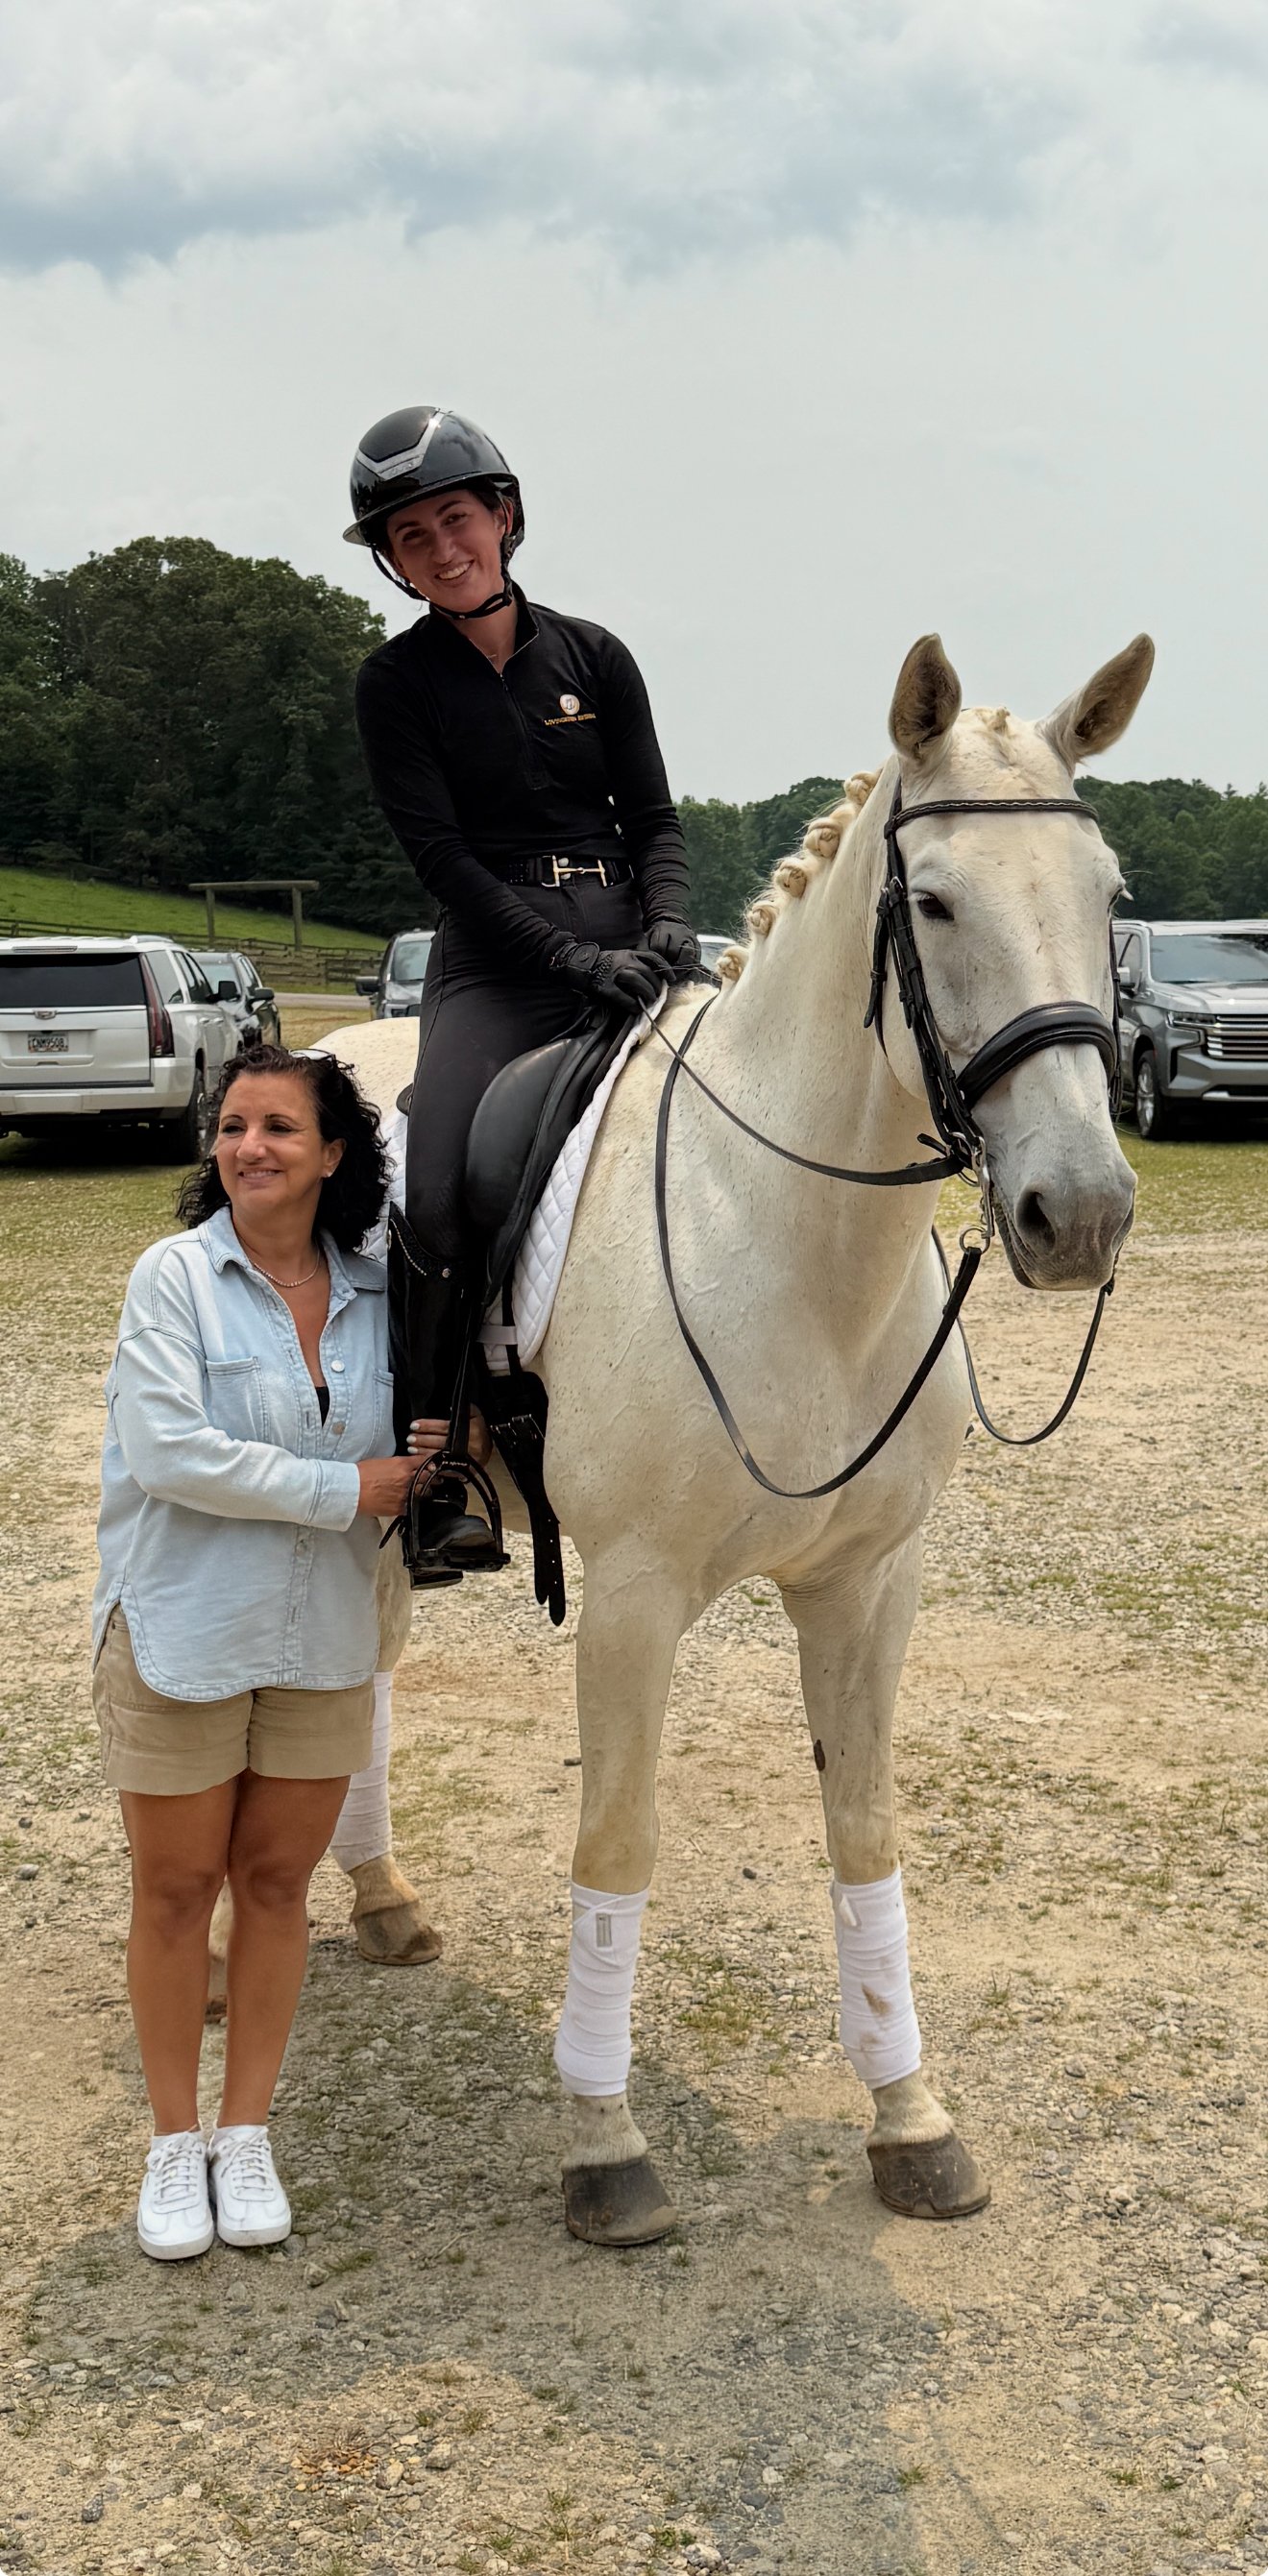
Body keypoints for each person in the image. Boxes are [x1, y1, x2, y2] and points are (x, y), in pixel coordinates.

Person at [348, 404, 699, 1580]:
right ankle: (443, 1466)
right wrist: (569, 961)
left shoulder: (595, 655)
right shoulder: (394, 686)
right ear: (395, 562)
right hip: (498, 962)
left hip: (627, 938)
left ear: (502, 514)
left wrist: (666, 928)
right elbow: (442, 861)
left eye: (456, 518)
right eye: (411, 537)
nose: (443, 548)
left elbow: (652, 821)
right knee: (437, 1174)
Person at [92, 1044, 427, 2261]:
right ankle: (173, 2141)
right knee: (177, 1891)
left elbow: (415, 1445)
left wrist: (441, 1441)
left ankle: (248, 2130)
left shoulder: (384, 1297)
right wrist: (351, 1489)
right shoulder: (172, 1279)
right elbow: (171, 1453)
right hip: (185, 1628)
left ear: (332, 1156)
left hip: (322, 1636)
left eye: (280, 1128)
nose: (250, 1148)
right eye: (233, 1126)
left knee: (279, 1888)